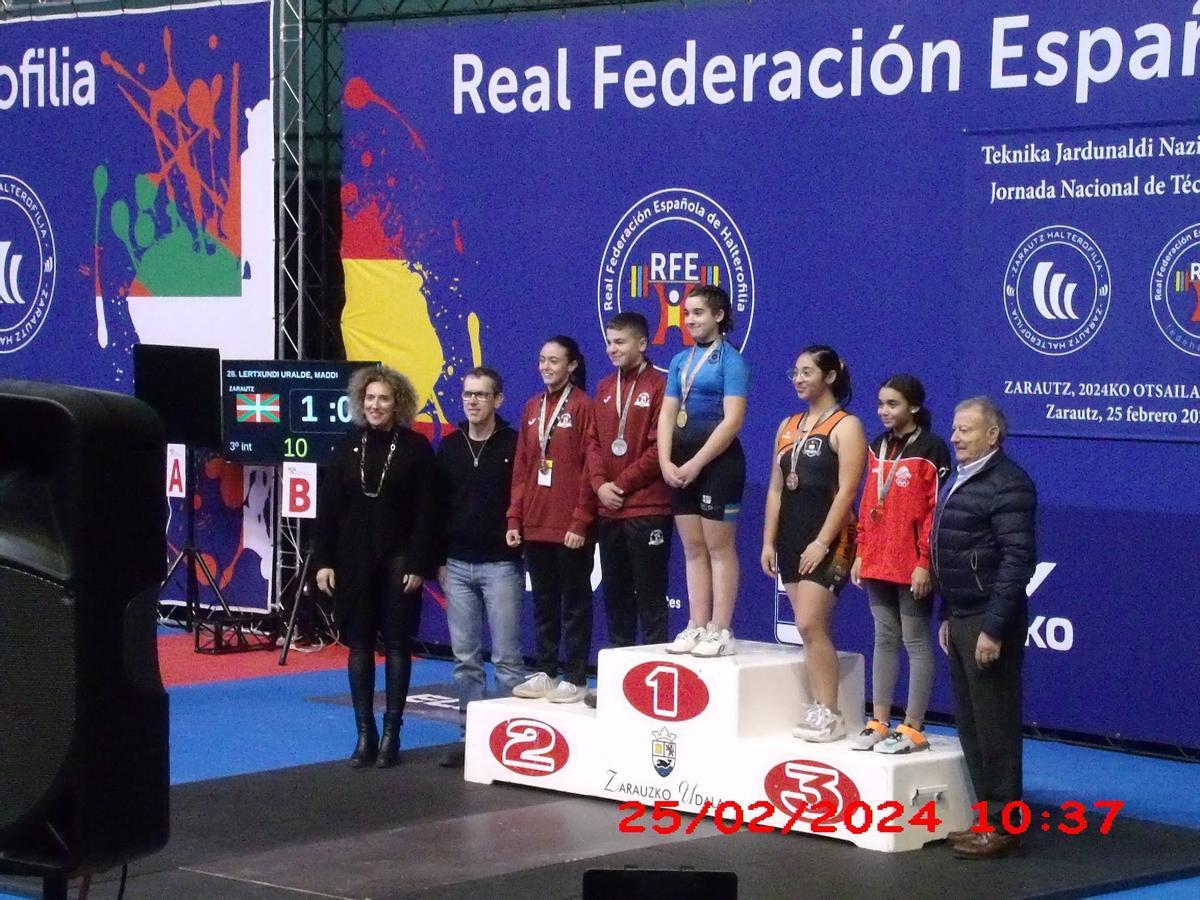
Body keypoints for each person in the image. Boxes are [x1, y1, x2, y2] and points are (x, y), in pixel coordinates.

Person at [314, 365, 435, 769]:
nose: (376, 405)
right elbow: (328, 510)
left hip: (400, 560)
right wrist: (323, 561)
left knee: (397, 645)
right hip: (351, 560)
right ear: (359, 403)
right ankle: (364, 735)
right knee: (359, 645)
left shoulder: (417, 448)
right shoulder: (347, 445)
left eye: (383, 398)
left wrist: (419, 563)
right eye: (369, 399)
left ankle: (391, 735)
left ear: (397, 403)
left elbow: (425, 514)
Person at [933, 396, 1036, 859]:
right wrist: (947, 616)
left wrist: (992, 629)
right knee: (972, 726)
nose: (955, 437)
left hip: (990, 619)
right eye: (954, 429)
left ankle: (1004, 826)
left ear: (992, 435)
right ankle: (986, 820)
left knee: (995, 726)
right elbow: (946, 550)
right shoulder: (959, 479)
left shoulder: (1010, 484)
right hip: (962, 615)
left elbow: (1018, 561)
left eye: (966, 430)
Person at [761, 346, 866, 742]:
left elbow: (848, 492)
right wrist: (769, 541)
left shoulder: (846, 426)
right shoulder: (787, 425)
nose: (799, 379)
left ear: (830, 376)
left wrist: (823, 542)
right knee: (808, 630)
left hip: (831, 536)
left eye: (807, 372)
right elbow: (775, 489)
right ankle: (820, 707)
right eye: (796, 372)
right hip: (791, 536)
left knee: (810, 622)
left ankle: (831, 711)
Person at [849, 375, 951, 754]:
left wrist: (925, 561)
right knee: (883, 637)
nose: (883, 411)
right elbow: (866, 502)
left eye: (892, 404)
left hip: (912, 564)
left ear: (913, 407)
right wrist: (861, 551)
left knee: (915, 639)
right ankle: (878, 720)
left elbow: (933, 512)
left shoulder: (932, 448)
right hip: (877, 557)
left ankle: (913, 726)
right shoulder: (878, 446)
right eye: (880, 404)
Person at [435, 367, 525, 767]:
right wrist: (437, 561)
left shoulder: (515, 444)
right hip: (455, 566)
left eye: (481, 395)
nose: (472, 401)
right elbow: (433, 508)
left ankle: (512, 739)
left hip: (501, 566)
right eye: (468, 394)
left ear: (498, 400)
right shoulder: (450, 447)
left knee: (506, 658)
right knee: (466, 659)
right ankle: (471, 737)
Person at [507, 336, 600, 704]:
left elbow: (590, 469)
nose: (547, 367)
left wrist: (580, 521)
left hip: (570, 527)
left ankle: (575, 676)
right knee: (544, 601)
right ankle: (545, 670)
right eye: (542, 360)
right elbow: (523, 468)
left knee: (575, 602)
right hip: (535, 521)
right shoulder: (532, 407)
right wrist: (515, 517)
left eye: (555, 361)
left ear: (572, 365)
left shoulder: (584, 407)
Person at [658, 284, 749, 658]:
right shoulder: (680, 360)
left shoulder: (732, 361)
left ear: (719, 316)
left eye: (699, 313)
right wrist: (665, 460)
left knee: (718, 548)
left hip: (718, 465)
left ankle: (720, 629)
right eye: (688, 313)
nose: (691, 319)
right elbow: (667, 413)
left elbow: (733, 421)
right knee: (692, 549)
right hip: (680, 463)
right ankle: (697, 625)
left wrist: (697, 463)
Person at [592, 312, 673, 659]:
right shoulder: (605, 387)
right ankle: (617, 682)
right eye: (609, 342)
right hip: (609, 509)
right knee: (616, 597)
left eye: (620, 342)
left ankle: (650, 682)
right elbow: (592, 442)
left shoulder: (661, 385)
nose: (612, 349)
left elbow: (661, 448)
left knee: (651, 597)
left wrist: (619, 485)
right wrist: (599, 486)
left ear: (642, 343)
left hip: (648, 507)